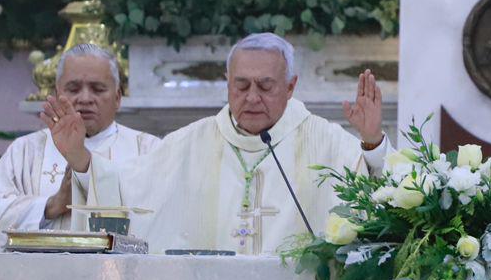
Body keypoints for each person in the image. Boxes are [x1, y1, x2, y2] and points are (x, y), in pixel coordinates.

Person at [49, 32, 389, 255]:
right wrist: (80, 156)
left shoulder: (323, 141)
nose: (252, 97)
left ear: (290, 86)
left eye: (265, 86)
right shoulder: (191, 143)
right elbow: (123, 190)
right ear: (227, 83)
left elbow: (380, 199)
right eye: (241, 86)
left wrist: (372, 142)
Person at [0, 43, 160, 251]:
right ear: (56, 92)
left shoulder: (148, 150)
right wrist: (52, 206)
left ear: (117, 98)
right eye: (73, 89)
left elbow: (162, 217)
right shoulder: (25, 151)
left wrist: (90, 177)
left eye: (98, 89)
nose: (85, 98)